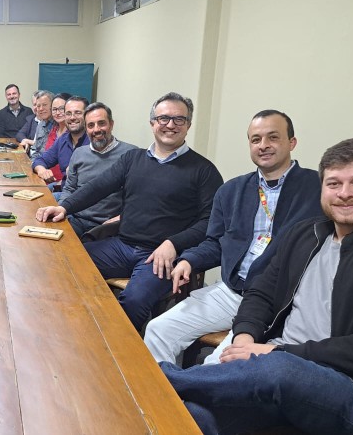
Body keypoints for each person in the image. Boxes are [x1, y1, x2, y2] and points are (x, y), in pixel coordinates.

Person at [162, 138, 353, 435]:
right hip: (273, 376)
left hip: (349, 388)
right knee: (193, 415)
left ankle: (159, 379)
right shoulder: (304, 235)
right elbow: (261, 293)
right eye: (333, 184)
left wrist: (276, 353)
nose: (344, 194)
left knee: (274, 369)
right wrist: (244, 336)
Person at [144, 110, 322, 365]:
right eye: (256, 139)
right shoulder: (231, 190)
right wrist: (189, 261)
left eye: (273, 137)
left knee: (218, 363)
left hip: (278, 299)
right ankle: (163, 401)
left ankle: (189, 400)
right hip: (233, 290)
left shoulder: (317, 188)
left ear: (292, 142)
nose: (264, 145)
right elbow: (215, 242)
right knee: (158, 330)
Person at [36, 92, 223, 331]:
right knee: (66, 264)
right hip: (121, 246)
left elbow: (210, 221)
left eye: (179, 119)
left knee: (133, 302)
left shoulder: (203, 170)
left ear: (188, 125)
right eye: (163, 118)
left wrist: (174, 244)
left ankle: (118, 357)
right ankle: (80, 329)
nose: (170, 125)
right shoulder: (133, 159)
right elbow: (98, 187)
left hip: (160, 256)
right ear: (152, 123)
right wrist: (64, 206)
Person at [59, 101, 137, 237]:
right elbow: (69, 188)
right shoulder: (79, 153)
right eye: (90, 125)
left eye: (101, 123)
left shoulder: (131, 154)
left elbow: (136, 198)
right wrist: (62, 208)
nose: (96, 130)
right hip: (77, 220)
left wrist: (120, 217)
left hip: (109, 225)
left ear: (111, 124)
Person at [32, 95, 87, 190]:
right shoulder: (63, 139)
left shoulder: (93, 142)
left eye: (78, 113)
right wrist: (42, 170)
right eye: (69, 113)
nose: (72, 117)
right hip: (62, 188)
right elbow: (40, 160)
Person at [21, 90, 54, 159]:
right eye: (38, 106)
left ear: (52, 106)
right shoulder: (40, 125)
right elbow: (36, 150)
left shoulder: (58, 125)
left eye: (44, 105)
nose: (41, 109)